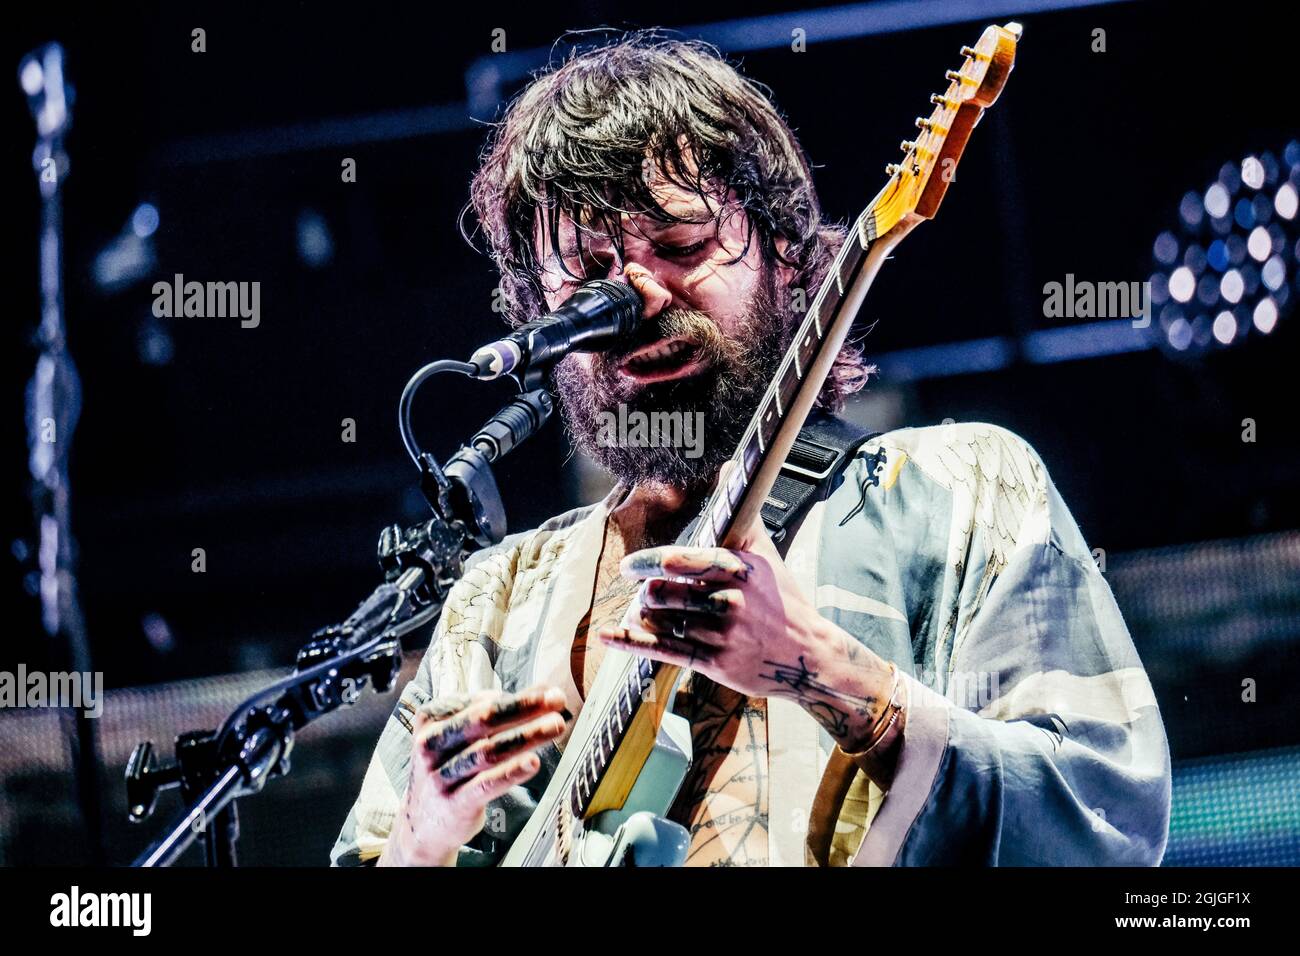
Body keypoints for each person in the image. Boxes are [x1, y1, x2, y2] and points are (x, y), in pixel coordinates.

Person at [331, 33, 1171, 867]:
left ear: (788, 257)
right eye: (588, 276)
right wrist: (420, 838)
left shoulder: (963, 489)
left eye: (684, 245)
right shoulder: (498, 603)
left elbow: (1103, 824)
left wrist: (831, 675)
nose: (639, 296)